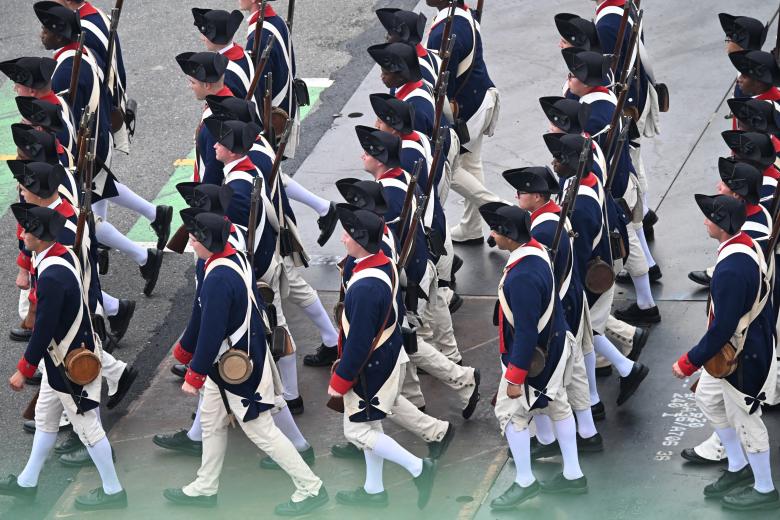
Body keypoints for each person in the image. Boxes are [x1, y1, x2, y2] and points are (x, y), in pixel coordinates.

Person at [164, 210, 328, 515]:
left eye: (195, 237)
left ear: (208, 242)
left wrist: (194, 374)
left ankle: (311, 486)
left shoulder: (216, 277)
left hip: (235, 369)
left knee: (261, 431)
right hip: (235, 360)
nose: (190, 240)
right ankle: (205, 486)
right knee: (212, 423)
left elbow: (211, 331)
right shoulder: (233, 259)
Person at [0, 203, 127, 511]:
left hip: (68, 365)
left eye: (28, 231)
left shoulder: (53, 274)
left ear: (41, 237)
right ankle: (28, 482)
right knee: (45, 417)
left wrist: (23, 368)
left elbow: (43, 329)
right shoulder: (58, 256)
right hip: (65, 359)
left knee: (88, 428)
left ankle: (114, 492)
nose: (23, 234)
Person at [673, 194, 779, 512]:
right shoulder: (743, 248)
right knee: (707, 398)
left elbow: (723, 328)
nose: (705, 221)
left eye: (709, 217)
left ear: (722, 224)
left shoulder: (732, 267)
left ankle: (764, 488)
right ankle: (737, 465)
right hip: (736, 348)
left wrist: (689, 361)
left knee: (746, 419)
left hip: (741, 354)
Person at [478, 203, 586, 510]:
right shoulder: (536, 252)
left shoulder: (521, 275)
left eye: (496, 229)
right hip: (554, 346)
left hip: (535, 357)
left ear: (509, 235)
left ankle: (525, 481)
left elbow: (525, 331)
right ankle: (573, 474)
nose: (492, 234)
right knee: (558, 405)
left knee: (510, 413)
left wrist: (514, 376)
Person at [329, 204, 437, 509]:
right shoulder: (384, 263)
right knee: (371, 425)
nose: (343, 240)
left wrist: (340, 380)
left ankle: (418, 468)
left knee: (357, 430)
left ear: (361, 240)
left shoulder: (364, 286)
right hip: (386, 358)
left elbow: (359, 341)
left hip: (370, 365)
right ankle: (374, 490)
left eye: (348, 235)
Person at [501, 167, 603, 455]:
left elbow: (543, 276)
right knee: (575, 368)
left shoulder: (544, 227)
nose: (518, 195)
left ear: (536, 195)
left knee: (553, 376)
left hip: (558, 305)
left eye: (522, 191)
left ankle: (552, 438)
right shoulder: (548, 218)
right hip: (567, 298)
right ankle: (586, 430)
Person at [426, 0, 501, 245]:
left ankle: (506, 213)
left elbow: (441, 89)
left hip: (466, 111)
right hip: (480, 99)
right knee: (471, 163)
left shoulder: (444, 31)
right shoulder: (461, 14)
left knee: (450, 169)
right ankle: (472, 226)